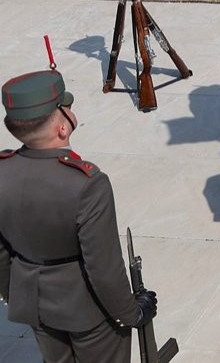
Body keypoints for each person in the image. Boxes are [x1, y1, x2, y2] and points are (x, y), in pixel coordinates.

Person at [0, 69, 158, 361]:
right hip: (88, 312)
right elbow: (103, 267)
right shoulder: (87, 183)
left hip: (34, 303)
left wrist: (16, 294)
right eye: (66, 107)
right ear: (62, 127)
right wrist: (131, 312)